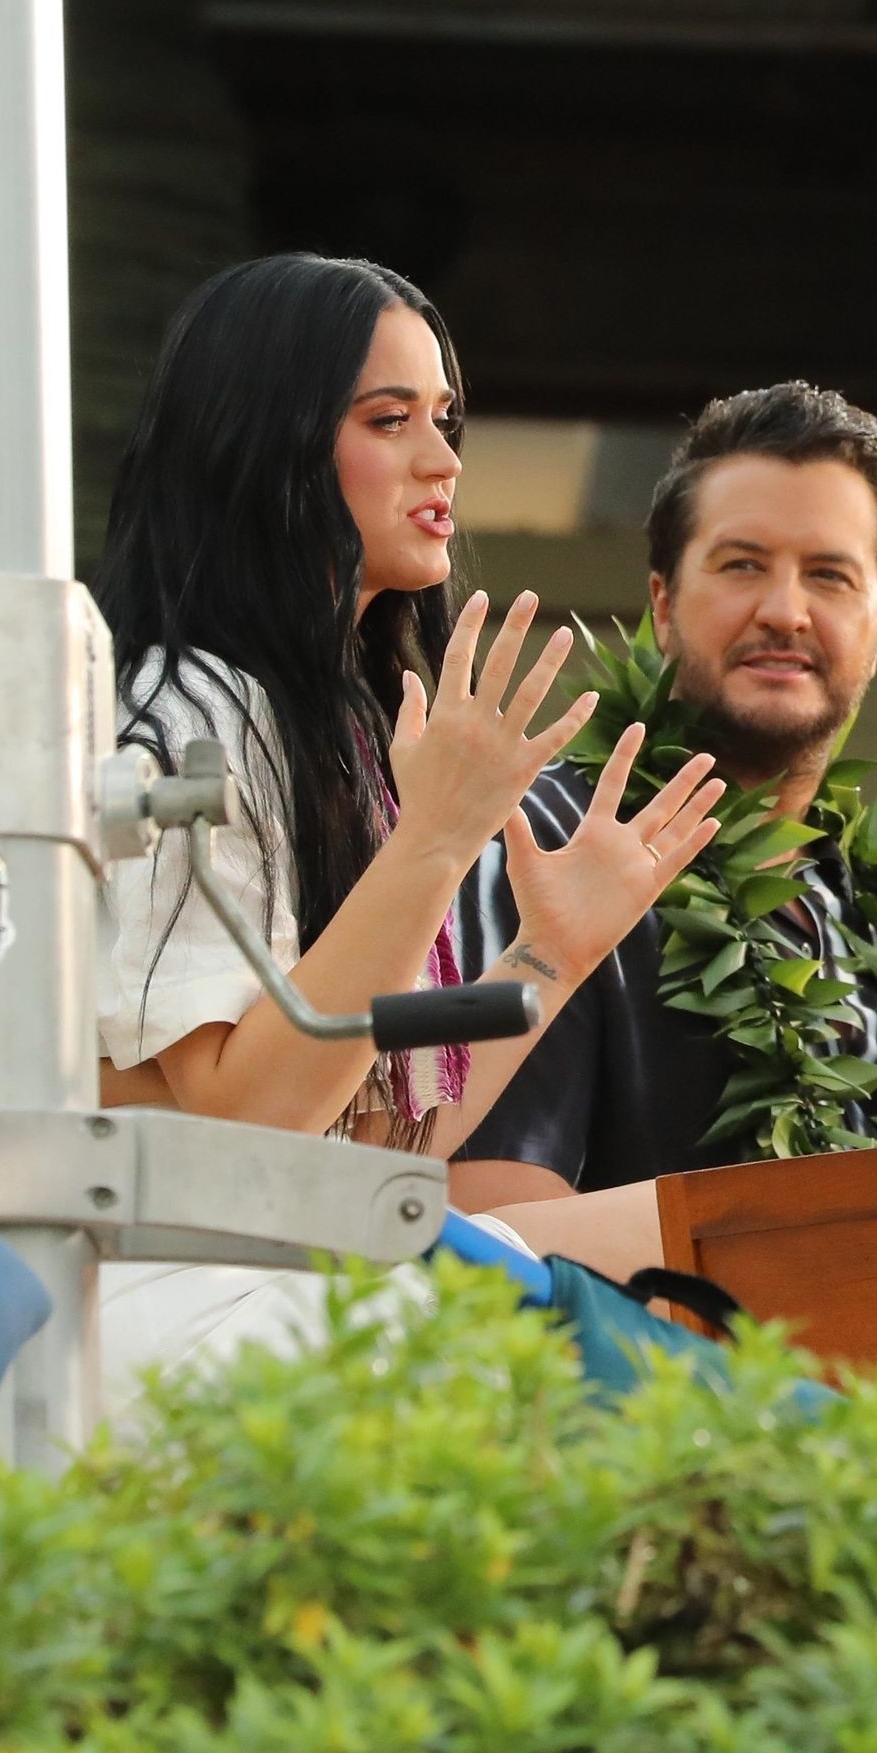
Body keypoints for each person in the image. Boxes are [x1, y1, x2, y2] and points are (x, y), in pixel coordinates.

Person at [92, 253, 724, 1388]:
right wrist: (434, 841)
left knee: (720, 1253)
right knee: (704, 1302)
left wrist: (549, 954)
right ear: (267, 446)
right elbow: (249, 1131)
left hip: (305, 1269)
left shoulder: (335, 719)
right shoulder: (184, 719)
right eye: (390, 421)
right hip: (187, 1298)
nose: (443, 460)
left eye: (445, 419)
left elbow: (388, 1134)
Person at [452, 380, 877, 1212]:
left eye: (829, 575)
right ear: (664, 605)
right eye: (743, 565)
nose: (785, 612)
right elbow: (492, 1224)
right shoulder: (540, 843)